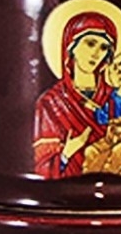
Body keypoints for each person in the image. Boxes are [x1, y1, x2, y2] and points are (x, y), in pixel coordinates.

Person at [32, 11, 116, 178]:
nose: (96, 53)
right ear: (71, 46)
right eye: (90, 43)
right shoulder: (51, 103)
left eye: (104, 47)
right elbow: (42, 165)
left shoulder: (114, 97)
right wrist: (67, 152)